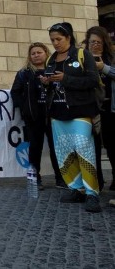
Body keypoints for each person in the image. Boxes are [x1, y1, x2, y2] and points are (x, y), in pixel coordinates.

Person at [42, 22, 102, 213]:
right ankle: (76, 189)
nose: (55, 43)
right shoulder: (51, 59)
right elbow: (51, 86)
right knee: (64, 152)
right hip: (57, 113)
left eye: (58, 39)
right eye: (52, 40)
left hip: (80, 111)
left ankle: (92, 193)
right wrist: (46, 82)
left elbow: (92, 80)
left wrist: (65, 79)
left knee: (85, 151)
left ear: (68, 37)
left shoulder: (82, 55)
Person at [11, 42, 64, 189]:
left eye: (39, 52)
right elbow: (15, 92)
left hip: (53, 114)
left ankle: (61, 178)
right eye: (33, 53)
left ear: (46, 53)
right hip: (33, 116)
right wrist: (23, 108)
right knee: (35, 148)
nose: (36, 55)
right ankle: (35, 178)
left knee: (56, 148)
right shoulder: (24, 73)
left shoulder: (54, 70)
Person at [83, 26, 115, 191]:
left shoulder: (111, 58)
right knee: (92, 147)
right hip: (91, 109)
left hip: (111, 108)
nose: (95, 45)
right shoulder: (82, 59)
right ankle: (97, 182)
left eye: (98, 42)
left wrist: (104, 68)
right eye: (92, 42)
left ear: (105, 43)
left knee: (111, 146)